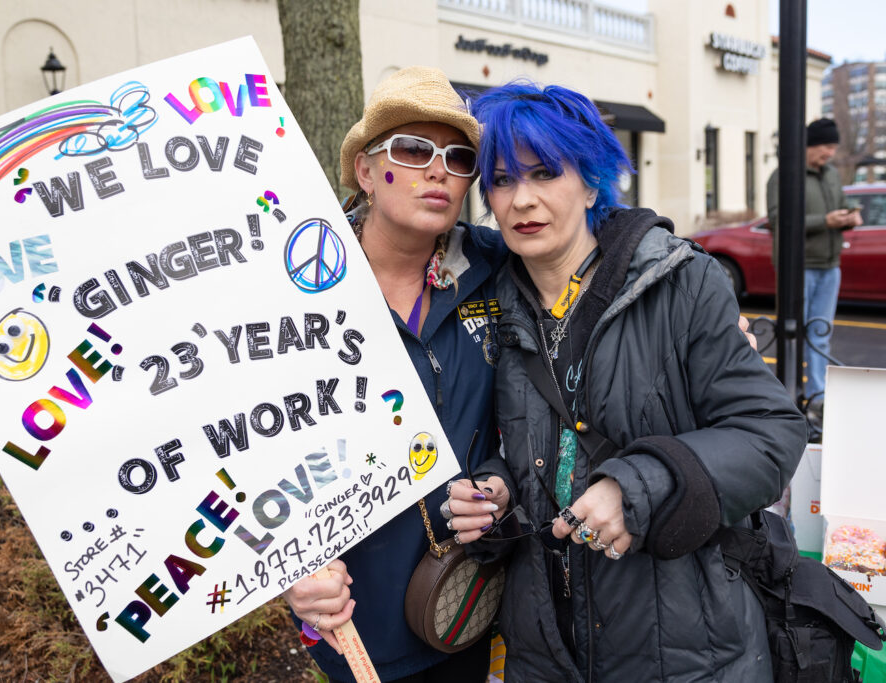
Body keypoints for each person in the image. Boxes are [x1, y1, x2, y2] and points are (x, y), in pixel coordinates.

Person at [446, 82, 807, 681]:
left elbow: (770, 434)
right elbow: (531, 449)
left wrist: (637, 486)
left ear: (591, 183)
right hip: (545, 648)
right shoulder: (489, 303)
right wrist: (498, 489)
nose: (523, 199)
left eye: (545, 173)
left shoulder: (679, 283)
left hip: (685, 647)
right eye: (503, 180)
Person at [280, 66, 508, 682]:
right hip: (358, 624)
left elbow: (590, 251)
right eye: (412, 149)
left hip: (474, 606)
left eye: (458, 158)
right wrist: (289, 570)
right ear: (364, 171)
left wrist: (499, 484)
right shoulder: (295, 289)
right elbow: (246, 445)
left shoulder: (496, 268)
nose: (438, 171)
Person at [766, 117, 863, 414]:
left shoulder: (831, 174)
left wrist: (850, 217)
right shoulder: (784, 175)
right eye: (826, 147)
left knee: (820, 333)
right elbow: (778, 220)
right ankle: (788, 395)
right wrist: (825, 221)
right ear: (809, 145)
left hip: (830, 265)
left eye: (834, 147)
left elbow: (841, 205)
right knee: (792, 333)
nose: (830, 153)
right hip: (799, 267)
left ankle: (817, 395)